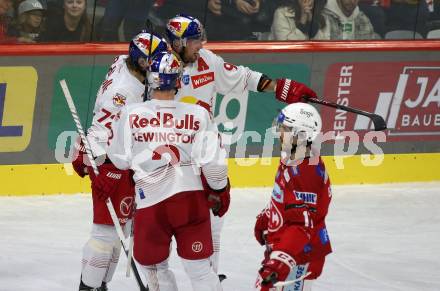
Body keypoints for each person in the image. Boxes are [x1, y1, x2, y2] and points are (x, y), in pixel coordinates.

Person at [165, 14, 317, 277]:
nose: (199, 46)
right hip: (167, 159)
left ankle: (211, 276)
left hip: (205, 156)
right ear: (176, 44)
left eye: (200, 40)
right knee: (164, 225)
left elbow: (244, 78)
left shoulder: (208, 61)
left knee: (214, 218)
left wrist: (282, 87)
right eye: (193, 42)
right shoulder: (159, 69)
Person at [107, 51, 230, 291]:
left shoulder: (131, 114)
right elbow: (215, 173)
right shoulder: (199, 114)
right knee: (201, 270)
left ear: (151, 78)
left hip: (151, 206)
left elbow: (119, 161)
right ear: (178, 80)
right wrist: (220, 190)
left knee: (154, 269)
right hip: (190, 203)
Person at [71, 31, 168, 291]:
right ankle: (88, 287)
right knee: (105, 233)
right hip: (107, 161)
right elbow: (102, 128)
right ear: (142, 62)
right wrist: (99, 166)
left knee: (120, 231)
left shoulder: (124, 62)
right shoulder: (123, 92)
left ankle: (100, 284)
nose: (159, 65)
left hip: (120, 159)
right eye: (155, 60)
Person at [254, 102, 332, 291]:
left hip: (299, 258)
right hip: (287, 251)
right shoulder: (293, 157)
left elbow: (302, 226)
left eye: (285, 128)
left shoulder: (306, 173)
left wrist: (280, 262)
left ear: (302, 134)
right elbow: (285, 198)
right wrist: (269, 217)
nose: (280, 132)